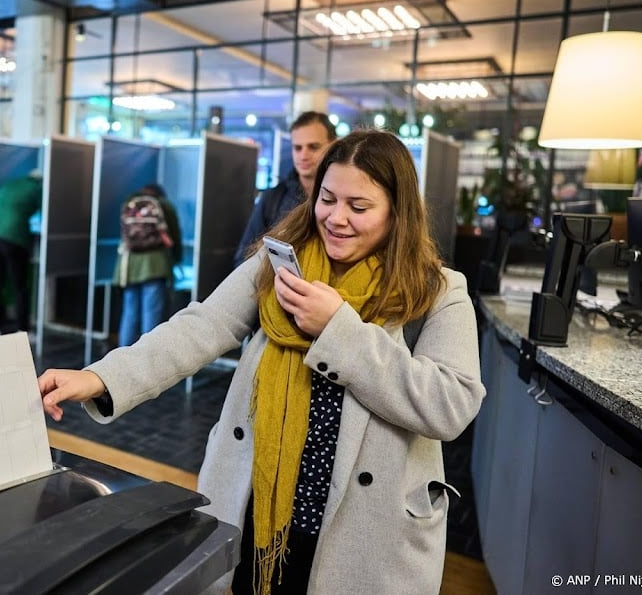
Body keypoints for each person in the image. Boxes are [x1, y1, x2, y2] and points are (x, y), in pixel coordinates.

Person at [38, 129, 484, 595]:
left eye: (359, 207)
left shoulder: (437, 291)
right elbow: (201, 326)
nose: (336, 218)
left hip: (365, 530)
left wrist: (338, 329)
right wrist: (99, 377)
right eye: (327, 199)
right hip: (260, 505)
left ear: (398, 212)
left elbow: (450, 405)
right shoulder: (281, 263)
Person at [233, 111, 338, 268]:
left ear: (333, 145)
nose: (304, 155)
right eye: (297, 148)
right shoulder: (273, 198)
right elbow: (244, 259)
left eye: (313, 147)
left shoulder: (343, 199)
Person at [115, 183, 182, 347]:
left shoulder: (129, 203)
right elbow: (175, 236)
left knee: (130, 314)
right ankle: (148, 358)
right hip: (155, 266)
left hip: (128, 267)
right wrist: (176, 259)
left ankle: (122, 357)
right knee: (151, 315)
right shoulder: (164, 205)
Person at [0, 170, 42, 336]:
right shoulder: (38, 189)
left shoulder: (11, 183)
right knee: (19, 285)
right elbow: (47, 214)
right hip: (12, 236)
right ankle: (23, 331)